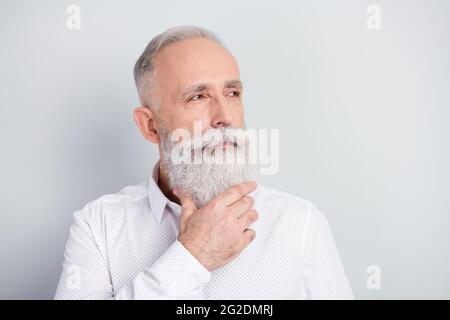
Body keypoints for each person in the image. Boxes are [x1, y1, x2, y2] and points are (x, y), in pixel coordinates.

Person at [54, 25, 354, 299]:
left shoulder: (298, 223)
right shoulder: (99, 226)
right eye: (198, 97)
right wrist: (193, 256)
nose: (225, 116)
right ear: (150, 126)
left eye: (232, 92)